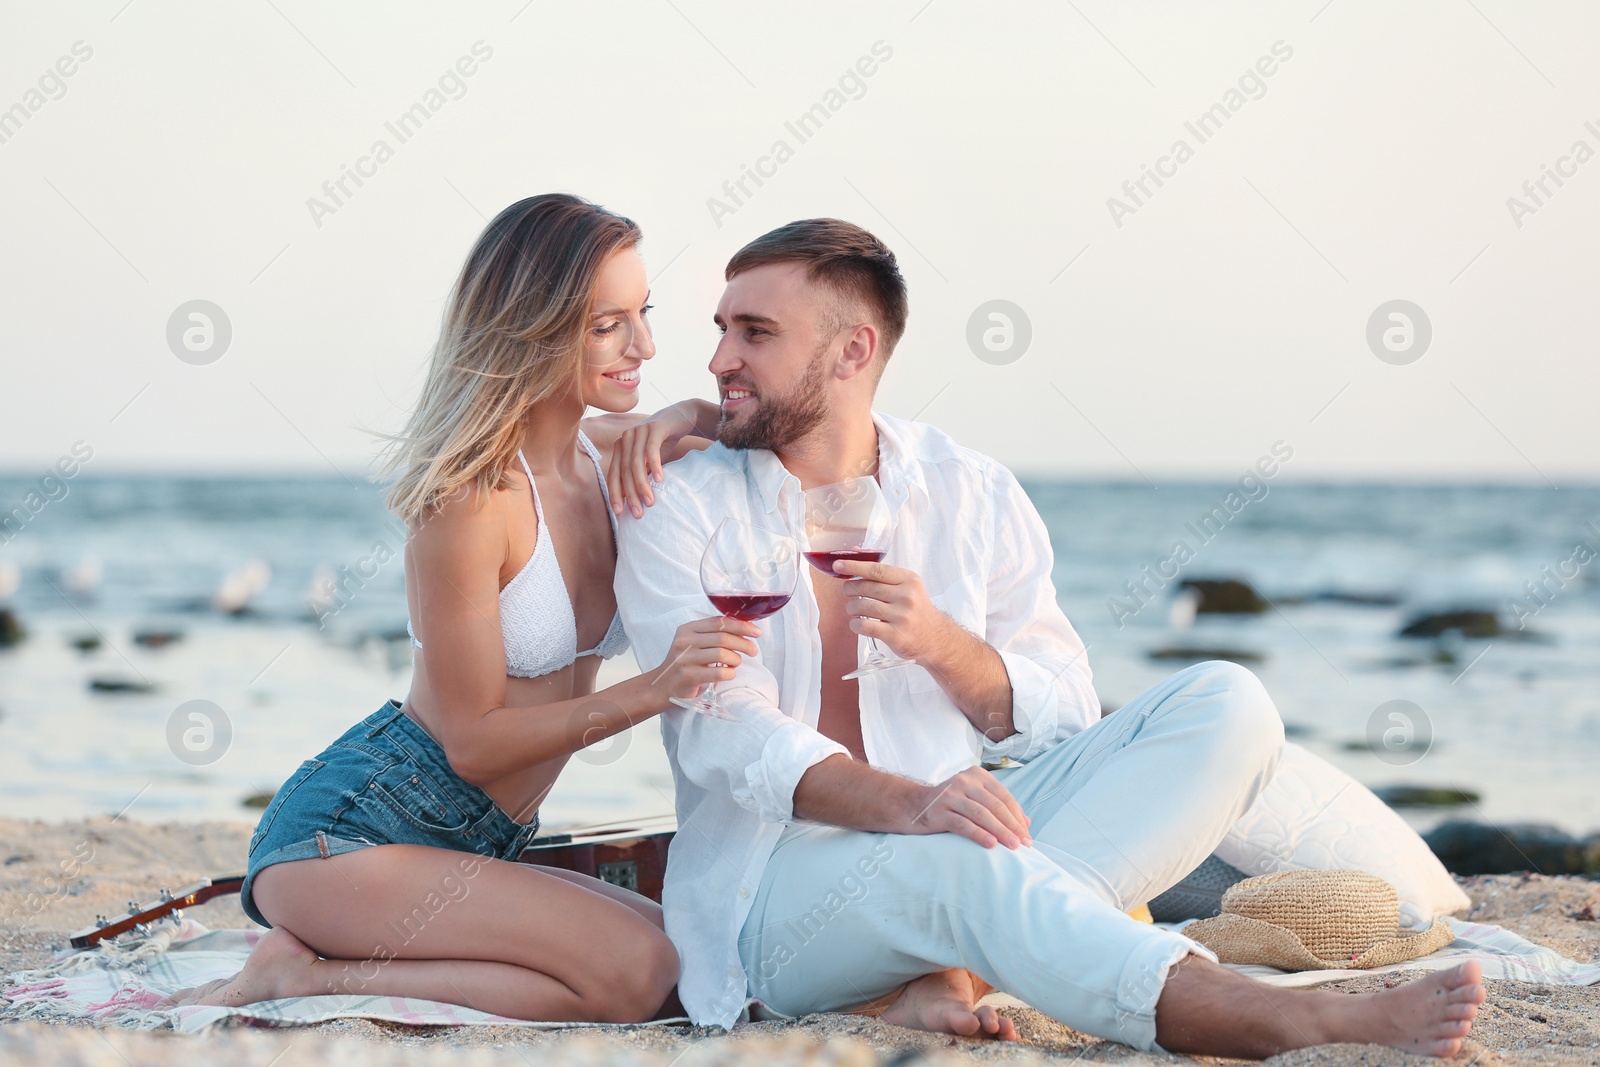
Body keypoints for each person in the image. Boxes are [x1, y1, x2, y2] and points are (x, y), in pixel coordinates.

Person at [611, 218, 1486, 1057]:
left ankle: (944, 965)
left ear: (853, 350)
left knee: (1229, 703)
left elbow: (1064, 712)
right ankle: (1295, 1023)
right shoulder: (681, 500)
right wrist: (913, 806)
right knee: (967, 862)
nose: (721, 358)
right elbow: (724, 730)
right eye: (722, 329)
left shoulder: (971, 491)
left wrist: (943, 644)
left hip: (949, 833)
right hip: (774, 893)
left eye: (755, 333)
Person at [177, 194, 757, 1023]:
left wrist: (678, 415)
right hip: (352, 838)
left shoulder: (608, 459)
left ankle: (323, 963)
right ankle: (298, 978)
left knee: (688, 963)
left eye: (644, 314)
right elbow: (476, 742)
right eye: (608, 325)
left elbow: (754, 438)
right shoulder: (472, 498)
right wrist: (655, 688)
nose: (646, 347)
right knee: (636, 973)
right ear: (533, 327)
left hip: (480, 843)